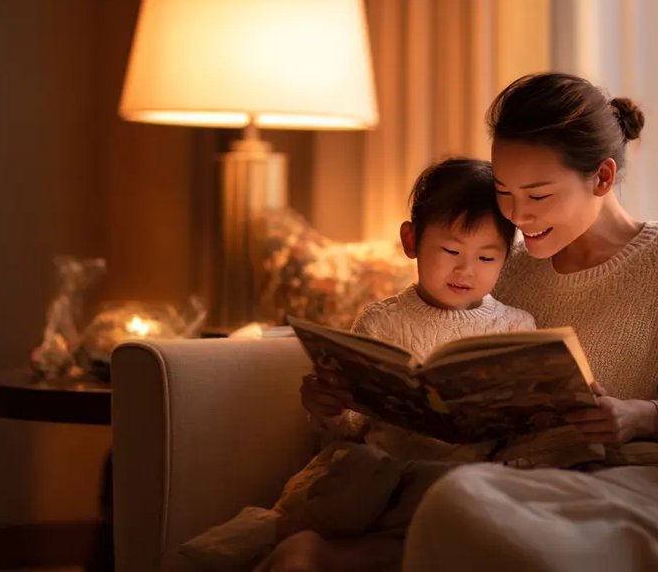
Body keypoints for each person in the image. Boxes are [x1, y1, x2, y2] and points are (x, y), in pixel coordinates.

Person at [403, 73, 658, 572]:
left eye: (537, 195)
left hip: (635, 481)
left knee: (465, 509)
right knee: (456, 499)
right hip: (513, 481)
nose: (517, 215)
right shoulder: (504, 271)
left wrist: (643, 416)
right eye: (505, 192)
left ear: (601, 177)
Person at [181, 158, 536, 572]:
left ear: (506, 258)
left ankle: (311, 552)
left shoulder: (514, 325)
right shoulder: (381, 320)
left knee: (452, 505)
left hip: (457, 481)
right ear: (411, 240)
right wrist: (328, 407)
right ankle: (277, 535)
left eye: (487, 258)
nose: (465, 269)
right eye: (451, 250)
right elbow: (351, 425)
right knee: (361, 480)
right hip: (377, 477)